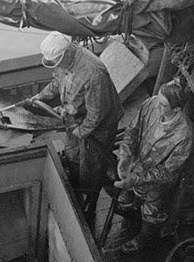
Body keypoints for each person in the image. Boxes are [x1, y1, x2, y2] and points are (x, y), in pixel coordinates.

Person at [21, 32, 123, 216]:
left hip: (99, 127)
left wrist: (81, 130)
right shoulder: (64, 63)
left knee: (92, 164)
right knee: (72, 153)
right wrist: (41, 96)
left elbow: (97, 112)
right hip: (75, 118)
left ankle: (90, 201)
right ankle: (77, 187)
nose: (56, 66)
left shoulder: (93, 72)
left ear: (67, 52)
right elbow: (57, 81)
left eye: (58, 61)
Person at [115, 78, 194, 253]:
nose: (156, 106)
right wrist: (125, 155)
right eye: (158, 100)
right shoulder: (152, 103)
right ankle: (134, 205)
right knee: (135, 197)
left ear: (176, 109)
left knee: (152, 210)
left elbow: (168, 173)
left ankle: (142, 238)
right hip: (137, 163)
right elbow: (132, 131)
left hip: (157, 182)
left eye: (163, 105)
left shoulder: (185, 135)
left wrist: (137, 179)